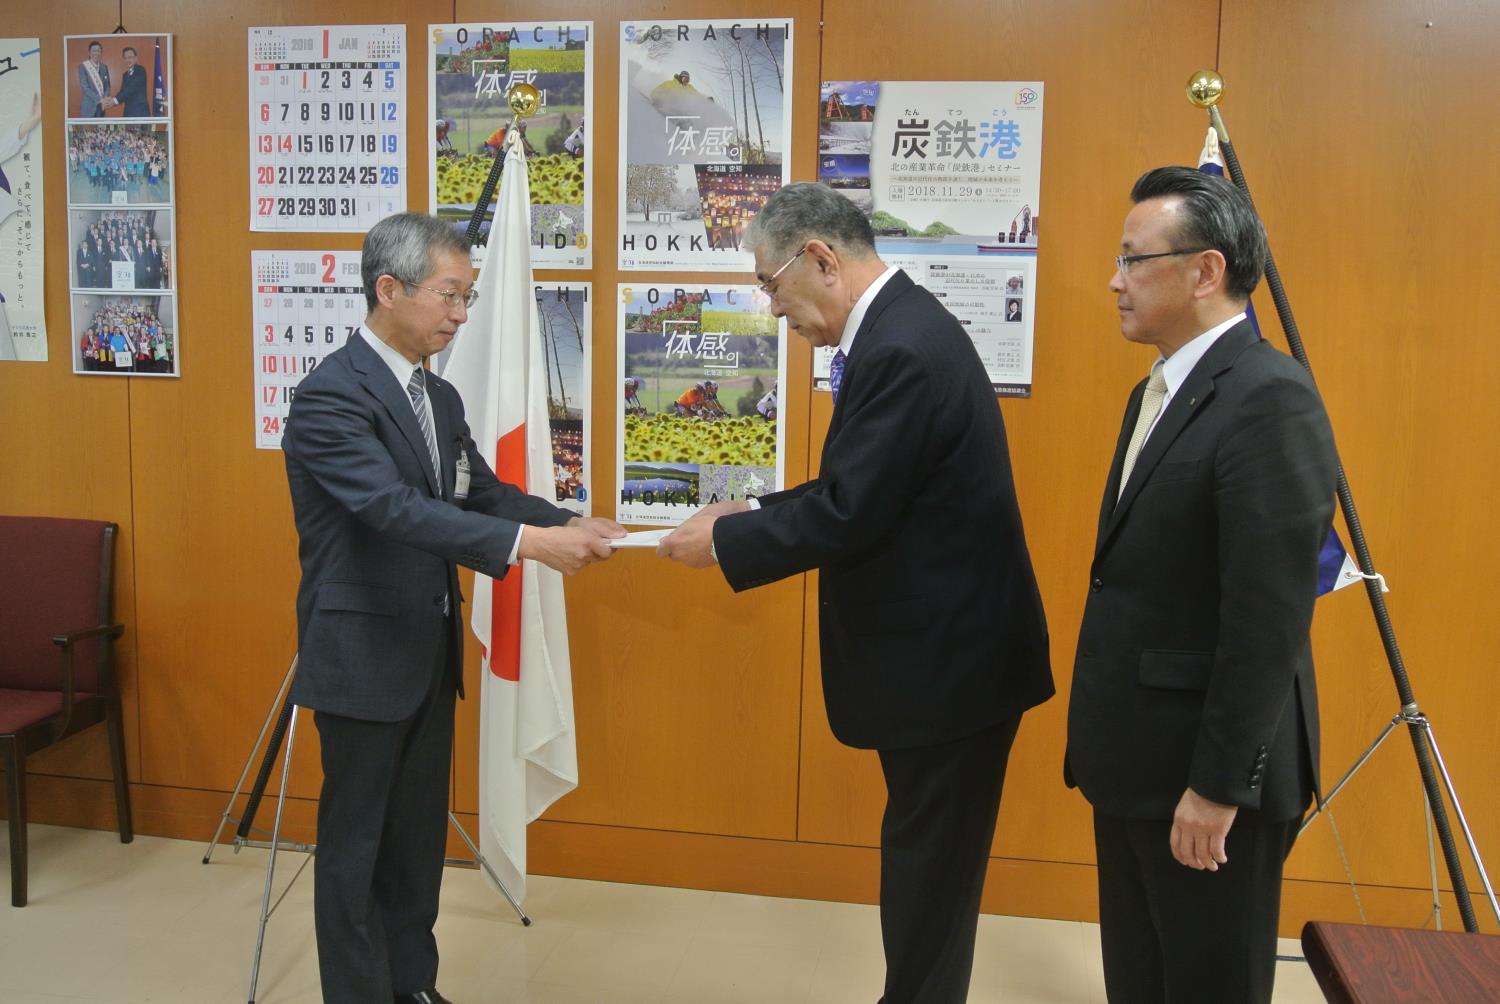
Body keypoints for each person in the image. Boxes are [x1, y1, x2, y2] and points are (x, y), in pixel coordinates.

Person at [658, 182, 1053, 1003]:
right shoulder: (900, 331)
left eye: (770, 284)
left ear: (822, 258)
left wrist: (726, 541)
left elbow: (850, 513)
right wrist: (756, 507)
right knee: (926, 865)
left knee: (930, 873)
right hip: (951, 661)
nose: (772, 309)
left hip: (954, 672)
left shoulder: (901, 348)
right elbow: (862, 486)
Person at [282, 212, 625, 1004]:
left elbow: (481, 490)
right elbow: (393, 509)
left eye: (469, 298)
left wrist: (563, 521)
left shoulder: (435, 396)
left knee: (415, 843)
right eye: (450, 296)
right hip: (360, 661)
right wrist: (525, 548)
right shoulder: (331, 396)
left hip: (426, 657)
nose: (462, 315)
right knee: (356, 849)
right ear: (389, 289)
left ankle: (413, 986)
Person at [1065, 167, 1338, 1004]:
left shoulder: (1271, 399)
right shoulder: (1152, 391)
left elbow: (1268, 617)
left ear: (1205, 271)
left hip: (1210, 781)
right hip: (1135, 763)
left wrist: (1218, 787)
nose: (1115, 280)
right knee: (1142, 983)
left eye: (1134, 259)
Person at [78, 41, 113, 117]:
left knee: (101, 128)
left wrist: (105, 98)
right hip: (88, 107)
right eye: (94, 50)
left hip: (101, 107)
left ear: (101, 53)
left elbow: (107, 86)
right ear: (89, 53)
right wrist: (100, 99)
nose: (96, 53)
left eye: (98, 51)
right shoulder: (83, 66)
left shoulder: (104, 67)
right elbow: (85, 88)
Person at [115, 46, 149, 117]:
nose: (128, 60)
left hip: (140, 113)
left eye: (130, 57)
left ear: (136, 58)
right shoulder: (125, 75)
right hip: (128, 113)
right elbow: (123, 91)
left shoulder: (140, 70)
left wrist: (114, 100)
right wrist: (112, 100)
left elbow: (131, 88)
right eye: (125, 58)